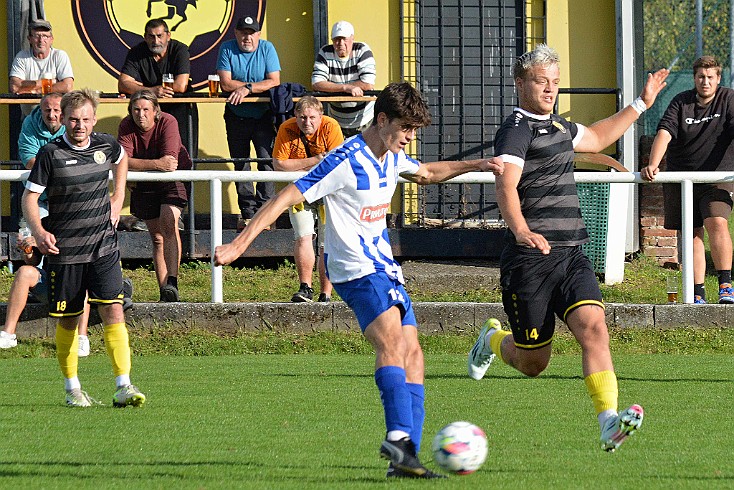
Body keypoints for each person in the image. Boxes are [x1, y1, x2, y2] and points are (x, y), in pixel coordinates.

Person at [215, 82, 504, 478]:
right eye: (406, 128)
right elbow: (285, 196)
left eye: (414, 131)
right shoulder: (344, 159)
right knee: (391, 342)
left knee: (414, 352)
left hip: (384, 266)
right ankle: (398, 437)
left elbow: (426, 173)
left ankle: (406, 456)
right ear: (381, 120)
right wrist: (239, 244)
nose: (410, 137)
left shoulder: (392, 154)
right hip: (354, 268)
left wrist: (477, 164)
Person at [467, 44, 669, 452]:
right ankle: (491, 340)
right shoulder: (516, 129)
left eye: (555, 82)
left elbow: (596, 138)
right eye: (542, 81)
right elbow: (505, 185)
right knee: (533, 363)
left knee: (595, 330)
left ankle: (608, 422)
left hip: (571, 254)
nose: (550, 89)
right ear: (520, 83)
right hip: (529, 261)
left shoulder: (559, 126)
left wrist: (640, 104)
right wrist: (521, 230)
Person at [22, 88, 145, 408]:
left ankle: (124, 385)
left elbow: (122, 159)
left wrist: (118, 197)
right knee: (69, 320)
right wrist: (38, 232)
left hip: (104, 247)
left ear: (93, 120)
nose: (80, 125)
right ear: (63, 119)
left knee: (114, 310)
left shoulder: (106, 144)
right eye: (74, 119)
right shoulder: (50, 154)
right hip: (66, 252)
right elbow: (29, 198)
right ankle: (72, 388)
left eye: (86, 119)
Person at [641, 55, 734, 305]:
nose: (705, 82)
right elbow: (664, 132)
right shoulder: (681, 102)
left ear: (718, 78)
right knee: (691, 235)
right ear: (694, 79)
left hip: (717, 178)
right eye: (701, 77)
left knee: (717, 221)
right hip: (682, 177)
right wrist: (653, 163)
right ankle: (697, 292)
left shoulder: (729, 99)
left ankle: (726, 284)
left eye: (710, 77)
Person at [118, 89, 191, 302]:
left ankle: (172, 282)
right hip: (144, 183)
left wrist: (137, 166)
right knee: (157, 238)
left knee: (170, 223)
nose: (141, 114)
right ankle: (165, 292)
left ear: (155, 111)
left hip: (174, 179)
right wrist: (155, 164)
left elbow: (171, 162)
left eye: (145, 110)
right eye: (136, 110)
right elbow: (122, 160)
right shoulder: (125, 125)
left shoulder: (168, 121)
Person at [272, 96, 344, 303]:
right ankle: (305, 287)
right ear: (296, 116)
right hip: (299, 190)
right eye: (302, 117)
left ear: (321, 116)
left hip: (329, 191)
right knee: (303, 236)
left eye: (312, 117)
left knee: (326, 243)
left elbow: (334, 163)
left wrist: (300, 166)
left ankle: (326, 293)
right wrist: (315, 161)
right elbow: (279, 164)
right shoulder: (286, 129)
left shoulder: (331, 127)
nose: (307, 122)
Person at [216, 16, 281, 229]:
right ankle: (248, 214)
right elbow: (225, 83)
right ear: (236, 33)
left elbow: (275, 81)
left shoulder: (267, 47)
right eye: (243, 32)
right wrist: (255, 85)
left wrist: (247, 88)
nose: (247, 37)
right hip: (236, 115)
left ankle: (265, 213)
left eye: (252, 32)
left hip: (263, 115)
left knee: (266, 162)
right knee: (241, 164)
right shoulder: (227, 48)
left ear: (258, 35)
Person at [118, 18, 198, 155]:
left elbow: (181, 86)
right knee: (151, 153)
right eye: (151, 36)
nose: (156, 41)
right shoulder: (137, 52)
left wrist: (142, 88)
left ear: (168, 35)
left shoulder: (180, 49)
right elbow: (123, 84)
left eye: (159, 36)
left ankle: (186, 177)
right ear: (145, 37)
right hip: (150, 109)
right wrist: (151, 91)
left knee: (182, 153)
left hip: (179, 108)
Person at [0, 234, 91, 352]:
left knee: (83, 280)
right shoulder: (44, 225)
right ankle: (8, 334)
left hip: (75, 281)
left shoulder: (80, 222)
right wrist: (28, 250)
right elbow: (33, 261)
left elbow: (72, 245)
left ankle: (81, 338)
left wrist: (42, 242)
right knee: (24, 272)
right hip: (51, 283)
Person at [311, 21, 376, 137]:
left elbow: (368, 84)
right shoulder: (325, 52)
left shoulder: (362, 50)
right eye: (336, 39)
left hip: (364, 120)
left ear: (352, 38)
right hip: (336, 120)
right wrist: (347, 87)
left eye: (344, 39)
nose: (340, 43)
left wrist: (335, 87)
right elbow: (316, 83)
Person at [9, 19, 74, 103]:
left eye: (45, 36)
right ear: (29, 39)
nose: (41, 40)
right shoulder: (22, 57)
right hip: (30, 114)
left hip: (54, 113)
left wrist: (36, 91)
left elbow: (68, 86)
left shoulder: (59, 56)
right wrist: (51, 82)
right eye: (37, 36)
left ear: (51, 39)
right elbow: (14, 86)